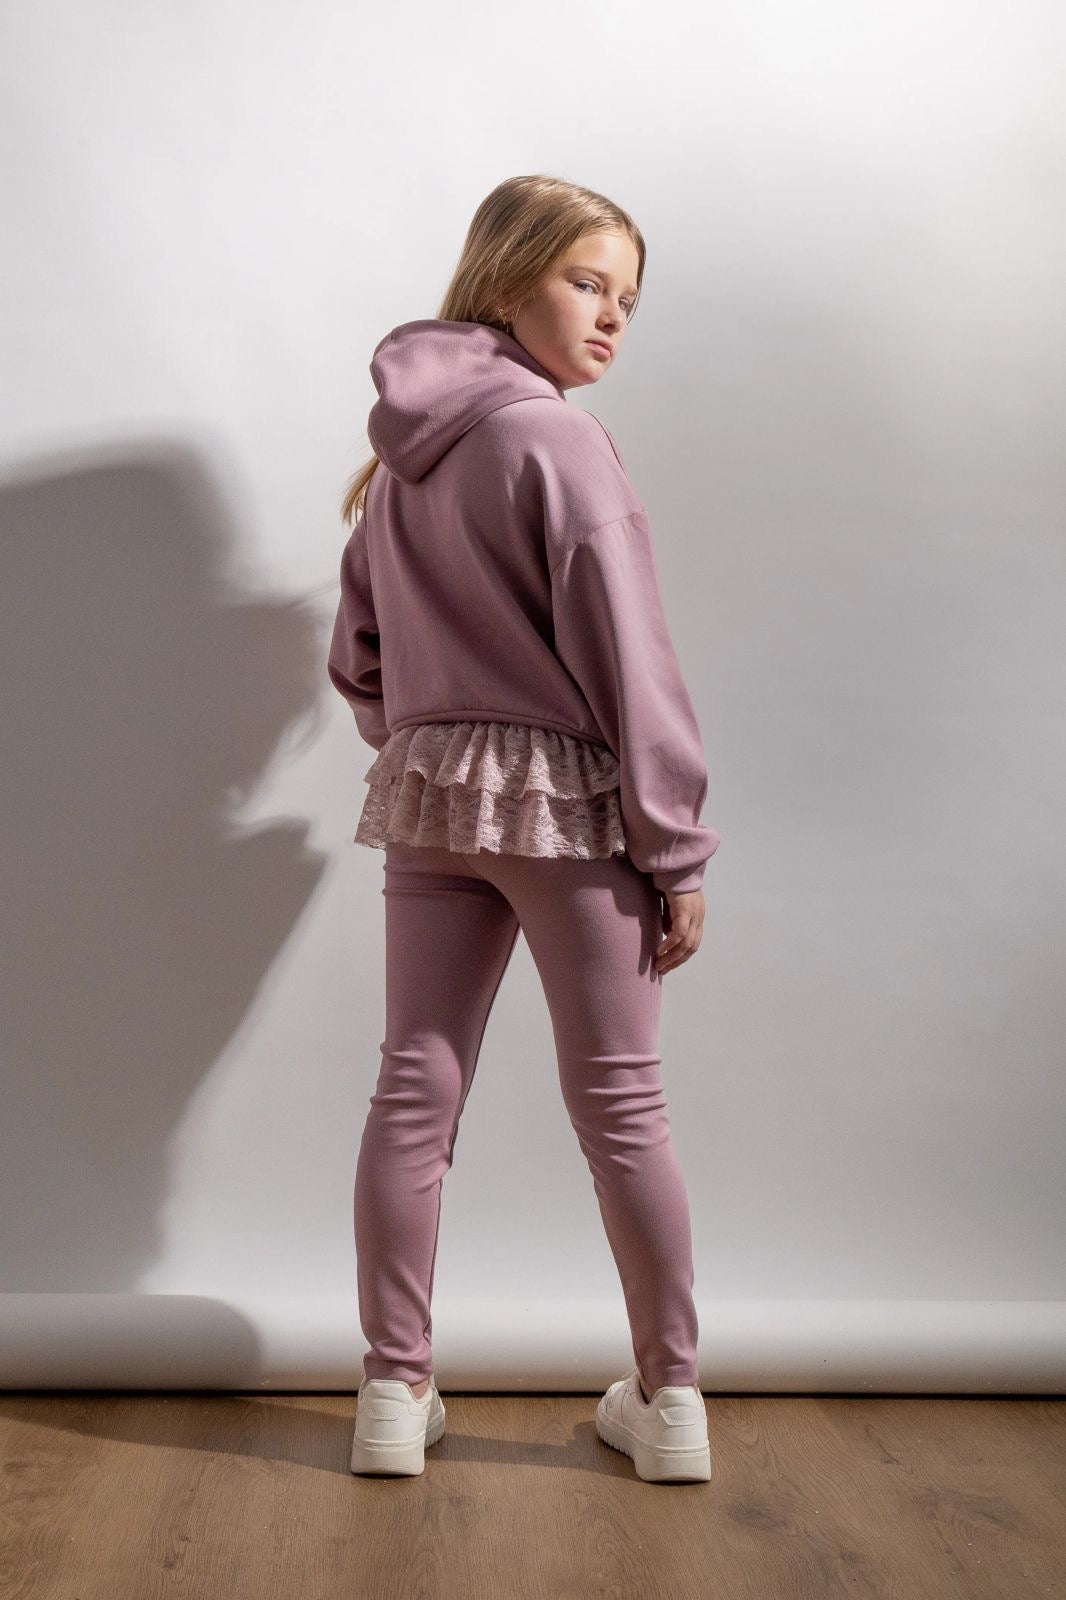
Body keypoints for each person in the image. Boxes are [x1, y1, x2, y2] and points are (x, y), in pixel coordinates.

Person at [328, 175, 720, 1483]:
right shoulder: (558, 442)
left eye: (627, 299)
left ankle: (393, 1391)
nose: (610, 316)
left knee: (413, 1084)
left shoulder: (400, 463)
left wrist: (428, 732)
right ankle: (669, 1402)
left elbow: (356, 656)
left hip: (432, 797)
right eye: (585, 282)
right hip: (569, 811)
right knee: (622, 1104)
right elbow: (631, 663)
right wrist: (674, 847)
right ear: (506, 280)